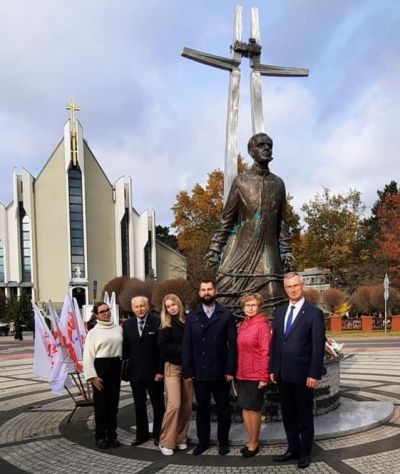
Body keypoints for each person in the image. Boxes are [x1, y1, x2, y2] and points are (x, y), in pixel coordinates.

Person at [205, 133, 292, 312]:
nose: (266, 148)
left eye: (269, 145)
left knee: (273, 299)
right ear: (251, 151)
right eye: (261, 145)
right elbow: (227, 220)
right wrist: (215, 249)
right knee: (228, 301)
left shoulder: (278, 183)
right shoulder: (241, 181)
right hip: (242, 250)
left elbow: (282, 221)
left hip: (269, 252)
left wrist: (286, 250)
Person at [270, 272, 326, 469]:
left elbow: (318, 347)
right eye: (288, 287)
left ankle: (304, 452)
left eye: (295, 285)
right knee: (288, 414)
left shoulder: (314, 313)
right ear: (285, 289)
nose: (292, 289)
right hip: (283, 374)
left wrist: (314, 373)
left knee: (304, 415)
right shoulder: (279, 312)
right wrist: (273, 368)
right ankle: (292, 448)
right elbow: (276, 342)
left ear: (302, 286)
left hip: (303, 375)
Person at [182, 280, 237, 456]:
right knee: (203, 410)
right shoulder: (191, 316)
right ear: (199, 293)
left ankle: (223, 442)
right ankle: (203, 442)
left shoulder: (226, 314)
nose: (206, 292)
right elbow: (187, 345)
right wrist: (188, 371)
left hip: (221, 372)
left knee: (223, 410)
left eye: (210, 289)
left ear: (216, 291)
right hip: (200, 372)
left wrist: (230, 369)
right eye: (203, 289)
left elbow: (232, 345)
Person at [123, 296, 165, 446]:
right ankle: (141, 435)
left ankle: (159, 434)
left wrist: (161, 371)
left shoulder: (157, 321)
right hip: (136, 374)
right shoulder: (127, 324)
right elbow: (126, 350)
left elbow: (162, 350)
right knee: (139, 405)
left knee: (158, 405)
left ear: (147, 306)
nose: (140, 309)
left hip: (154, 373)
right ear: (132, 308)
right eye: (136, 307)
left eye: (142, 306)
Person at [83, 302, 123, 449]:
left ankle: (112, 436)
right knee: (101, 406)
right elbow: (87, 355)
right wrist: (92, 376)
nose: (106, 313)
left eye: (108, 310)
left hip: (115, 368)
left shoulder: (118, 329)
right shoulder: (93, 333)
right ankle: (100, 437)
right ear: (97, 315)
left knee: (113, 405)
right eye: (102, 311)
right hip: (100, 369)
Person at [236, 293, 271, 457]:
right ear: (243, 308)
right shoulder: (244, 324)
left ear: (259, 307)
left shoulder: (262, 325)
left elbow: (266, 352)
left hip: (255, 374)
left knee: (254, 409)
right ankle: (250, 440)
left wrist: (264, 377)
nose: (250, 308)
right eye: (247, 305)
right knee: (245, 408)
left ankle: (254, 443)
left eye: (253, 305)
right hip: (242, 373)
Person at [157, 294, 193, 456]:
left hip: (188, 367)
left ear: (178, 304)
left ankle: (180, 437)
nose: (171, 308)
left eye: (173, 305)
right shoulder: (166, 324)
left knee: (187, 405)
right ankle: (166, 441)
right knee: (175, 404)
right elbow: (164, 347)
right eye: (168, 306)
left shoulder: (188, 321)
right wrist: (185, 349)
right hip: (172, 367)